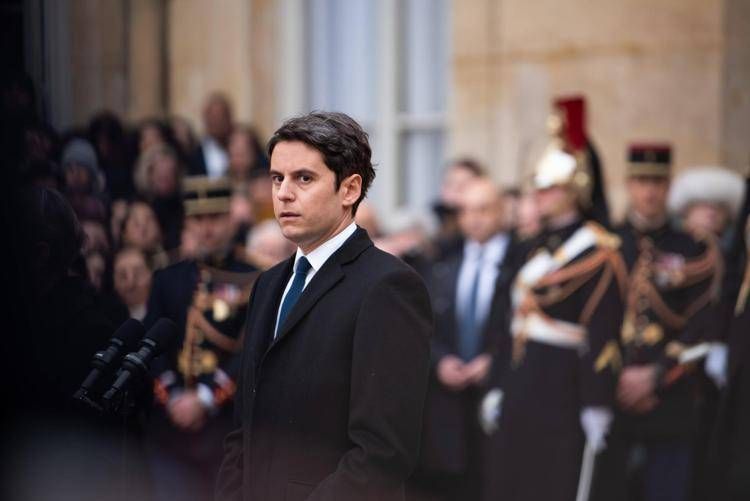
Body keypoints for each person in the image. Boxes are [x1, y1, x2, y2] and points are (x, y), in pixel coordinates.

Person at [215, 111, 433, 501]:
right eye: (277, 178)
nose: (283, 193)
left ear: (349, 190)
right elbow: (244, 429)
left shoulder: (388, 287)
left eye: (304, 178)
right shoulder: (268, 283)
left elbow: (383, 453)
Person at [490, 136, 627, 501]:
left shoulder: (598, 250)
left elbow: (602, 329)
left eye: (549, 188)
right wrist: (497, 383)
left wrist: (597, 401)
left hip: (563, 386)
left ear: (574, 190)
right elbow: (509, 323)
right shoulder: (530, 245)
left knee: (553, 483)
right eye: (537, 186)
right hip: (520, 380)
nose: (539, 194)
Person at [594, 145, 721, 501]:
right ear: (628, 185)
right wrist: (616, 378)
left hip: (669, 399)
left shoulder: (692, 248)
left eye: (657, 182)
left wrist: (656, 376)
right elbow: (596, 319)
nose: (649, 192)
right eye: (641, 182)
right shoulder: (608, 244)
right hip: (613, 396)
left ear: (668, 186)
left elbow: (702, 324)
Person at [143, 176, 258, 501]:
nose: (207, 228)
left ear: (230, 220)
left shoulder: (254, 277)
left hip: (225, 428)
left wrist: (206, 397)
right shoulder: (167, 278)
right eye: (198, 219)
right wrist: (172, 397)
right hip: (170, 428)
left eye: (215, 218)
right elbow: (152, 346)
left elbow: (251, 351)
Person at [411, 178, 519, 501]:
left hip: (501, 403)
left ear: (502, 211)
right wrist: (440, 361)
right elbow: (423, 326)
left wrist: (494, 361)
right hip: (449, 410)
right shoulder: (443, 264)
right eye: (467, 211)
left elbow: (522, 328)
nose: (475, 219)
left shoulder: (521, 262)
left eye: (484, 209)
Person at [189, 93, 233, 178]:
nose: (217, 123)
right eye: (213, 117)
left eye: (221, 117)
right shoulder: (194, 153)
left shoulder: (237, 148)